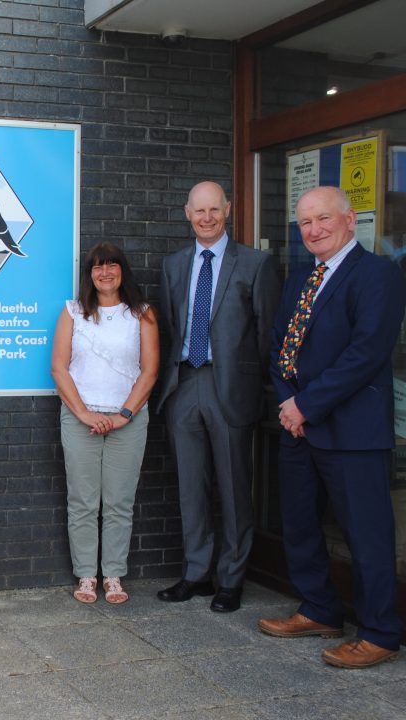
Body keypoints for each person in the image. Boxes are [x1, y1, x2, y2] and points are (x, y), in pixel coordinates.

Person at [259, 186, 404, 668]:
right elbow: (282, 347)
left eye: (323, 219)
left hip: (353, 432)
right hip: (299, 427)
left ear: (350, 220)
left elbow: (365, 353)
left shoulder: (378, 274)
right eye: (305, 223)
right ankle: (319, 607)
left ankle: (380, 631)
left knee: (367, 536)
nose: (314, 230)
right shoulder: (301, 277)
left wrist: (306, 406)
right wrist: (288, 405)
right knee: (300, 524)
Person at [155, 180, 280, 612]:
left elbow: (266, 335)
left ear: (228, 208)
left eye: (215, 210)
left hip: (231, 387)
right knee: (191, 487)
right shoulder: (173, 265)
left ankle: (231, 578)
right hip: (184, 383)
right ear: (187, 213)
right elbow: (172, 327)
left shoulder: (255, 263)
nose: (207, 218)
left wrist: (251, 381)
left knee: (233, 487)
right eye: (199, 211)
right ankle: (196, 573)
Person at [51, 243, 159, 604]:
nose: (105, 272)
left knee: (119, 501)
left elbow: (150, 370)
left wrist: (122, 415)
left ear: (123, 270)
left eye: (112, 265)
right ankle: (86, 576)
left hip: (127, 420)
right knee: (83, 501)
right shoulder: (73, 312)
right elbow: (59, 368)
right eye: (98, 267)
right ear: (90, 274)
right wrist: (83, 414)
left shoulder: (142, 314)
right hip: (80, 418)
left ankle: (113, 574)